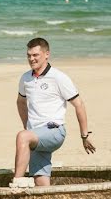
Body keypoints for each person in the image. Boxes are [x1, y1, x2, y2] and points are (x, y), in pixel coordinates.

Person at [12, 38, 95, 187]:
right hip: (36, 135)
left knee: (22, 137)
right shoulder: (25, 78)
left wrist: (84, 135)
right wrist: (28, 127)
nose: (31, 59)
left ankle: (16, 183)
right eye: (29, 55)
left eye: (36, 55)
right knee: (40, 180)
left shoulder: (58, 77)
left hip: (55, 131)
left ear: (46, 54)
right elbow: (20, 102)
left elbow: (79, 104)